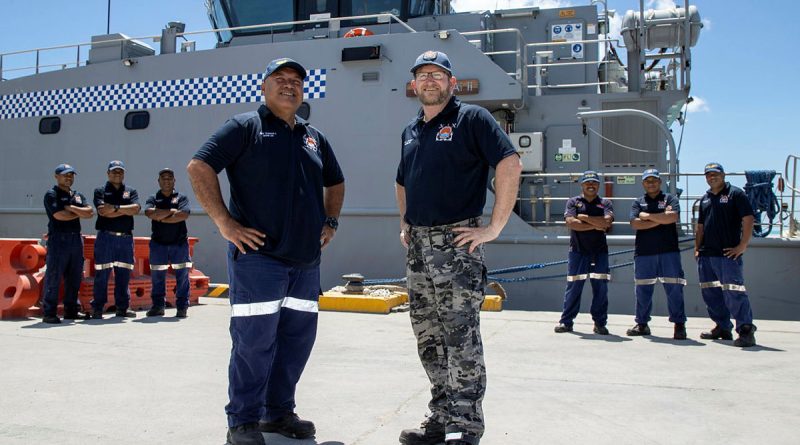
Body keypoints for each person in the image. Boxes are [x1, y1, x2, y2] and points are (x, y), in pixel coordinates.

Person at [188, 57, 345, 445]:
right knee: (254, 341)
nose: (289, 86)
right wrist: (226, 224)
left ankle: (277, 414)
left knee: (296, 341)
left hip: (305, 260)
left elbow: (336, 182)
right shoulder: (245, 127)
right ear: (264, 87)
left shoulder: (313, 137)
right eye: (280, 79)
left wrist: (331, 222)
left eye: (295, 81)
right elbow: (199, 167)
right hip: (259, 258)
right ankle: (242, 420)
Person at [395, 50, 522, 445]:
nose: (429, 81)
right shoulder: (411, 130)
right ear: (415, 85)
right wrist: (405, 223)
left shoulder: (472, 119)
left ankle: (465, 427)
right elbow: (402, 181)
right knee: (428, 337)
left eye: (438, 74)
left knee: (460, 336)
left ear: (452, 83)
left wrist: (493, 227)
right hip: (418, 247)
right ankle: (440, 418)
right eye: (422, 75)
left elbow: (509, 163)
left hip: (456, 244)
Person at [695, 162, 757, 347]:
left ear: (723, 175)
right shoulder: (704, 199)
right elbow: (700, 227)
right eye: (708, 175)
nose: (711, 177)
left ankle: (746, 330)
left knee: (734, 292)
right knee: (711, 293)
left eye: (715, 174)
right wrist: (698, 248)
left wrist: (742, 245)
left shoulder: (736, 194)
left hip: (728, 254)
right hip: (707, 255)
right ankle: (722, 326)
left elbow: (748, 219)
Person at [627, 169, 687, 339]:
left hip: (669, 252)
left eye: (654, 180)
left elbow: (672, 218)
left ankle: (679, 325)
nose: (651, 183)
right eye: (647, 181)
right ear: (643, 184)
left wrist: (648, 217)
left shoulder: (670, 199)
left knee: (674, 288)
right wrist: (661, 219)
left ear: (660, 182)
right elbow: (635, 224)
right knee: (643, 290)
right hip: (644, 253)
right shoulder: (637, 203)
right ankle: (642, 324)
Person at [554, 171, 614, 335]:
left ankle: (600, 324)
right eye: (588, 182)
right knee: (573, 287)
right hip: (578, 252)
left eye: (594, 183)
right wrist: (597, 225)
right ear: (582, 185)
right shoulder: (573, 202)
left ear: (598, 185)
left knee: (600, 289)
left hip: (599, 252)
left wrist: (585, 218)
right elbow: (572, 223)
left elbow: (607, 222)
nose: (591, 185)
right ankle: (566, 322)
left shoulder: (605, 203)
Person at [41, 163, 94, 324]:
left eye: (71, 175)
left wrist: (71, 208)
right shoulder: (51, 194)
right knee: (54, 275)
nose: (68, 178)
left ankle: (71, 311)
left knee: (74, 277)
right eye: (65, 175)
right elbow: (59, 216)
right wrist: (78, 211)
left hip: (75, 240)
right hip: (59, 239)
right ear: (57, 177)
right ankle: (49, 312)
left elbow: (90, 212)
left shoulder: (77, 195)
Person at [91, 160, 140, 319]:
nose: (117, 174)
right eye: (114, 172)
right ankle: (98, 308)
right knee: (102, 274)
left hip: (125, 239)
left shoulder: (131, 191)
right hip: (106, 237)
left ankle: (122, 308)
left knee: (124, 274)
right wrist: (124, 210)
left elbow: (135, 209)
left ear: (123, 174)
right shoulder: (100, 191)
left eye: (120, 172)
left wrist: (115, 208)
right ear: (108, 174)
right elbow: (103, 212)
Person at [144, 168, 192, 318]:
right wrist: (171, 211)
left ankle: (182, 307)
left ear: (174, 181)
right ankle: (158, 306)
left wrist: (161, 216)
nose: (166, 181)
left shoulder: (182, 198)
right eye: (163, 178)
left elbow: (184, 214)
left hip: (179, 244)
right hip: (159, 244)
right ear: (158, 181)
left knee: (182, 277)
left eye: (169, 178)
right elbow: (149, 213)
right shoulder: (153, 198)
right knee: (158, 276)